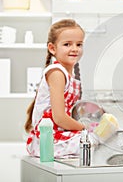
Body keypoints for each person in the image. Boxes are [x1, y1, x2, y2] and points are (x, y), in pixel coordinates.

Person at [25, 19, 98, 158]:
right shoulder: (57, 73)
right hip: (48, 140)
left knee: (96, 141)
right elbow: (59, 118)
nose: (75, 48)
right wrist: (85, 128)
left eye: (79, 44)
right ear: (52, 48)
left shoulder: (69, 75)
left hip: (59, 134)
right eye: (67, 44)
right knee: (95, 141)